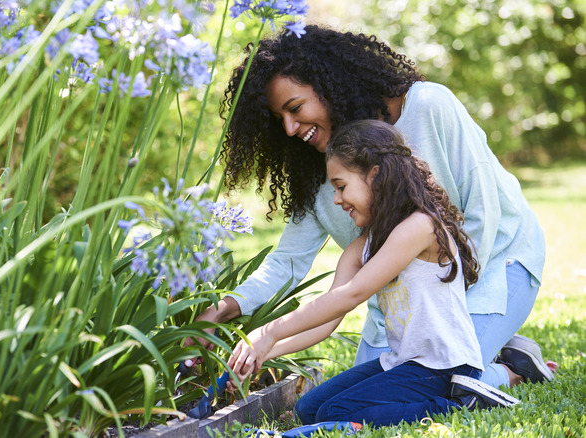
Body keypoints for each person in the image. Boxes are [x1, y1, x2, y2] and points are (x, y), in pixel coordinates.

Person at [188, 25, 553, 389]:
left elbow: (483, 212)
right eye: (278, 118)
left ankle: (509, 370)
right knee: (363, 390)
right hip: (403, 305)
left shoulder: (427, 106)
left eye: (295, 108)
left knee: (439, 383)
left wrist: (444, 318)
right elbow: (286, 262)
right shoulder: (321, 175)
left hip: (495, 267)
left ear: (329, 84)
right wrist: (225, 308)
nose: (288, 128)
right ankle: (496, 351)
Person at [228, 119, 519, 427]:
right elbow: (328, 317)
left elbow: (352, 295)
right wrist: (264, 352)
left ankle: (467, 403)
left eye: (341, 186)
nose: (337, 199)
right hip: (403, 364)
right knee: (308, 411)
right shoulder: (362, 246)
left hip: (445, 368)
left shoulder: (421, 227)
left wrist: (269, 332)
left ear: (375, 177)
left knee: (334, 414)